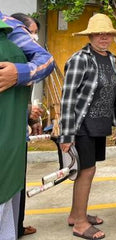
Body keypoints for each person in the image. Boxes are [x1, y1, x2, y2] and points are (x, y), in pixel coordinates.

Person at [59, 13, 116, 240]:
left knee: (87, 170)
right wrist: (66, 133)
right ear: (90, 35)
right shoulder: (79, 59)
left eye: (107, 34)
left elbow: (108, 90)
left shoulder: (111, 58)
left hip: (100, 124)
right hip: (82, 125)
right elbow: (68, 98)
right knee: (86, 170)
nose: (104, 37)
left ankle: (76, 214)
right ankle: (80, 224)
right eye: (99, 33)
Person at [0, 11, 54, 240]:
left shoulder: (10, 30)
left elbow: (46, 61)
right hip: (10, 135)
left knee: (13, 191)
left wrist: (20, 73)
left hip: (11, 137)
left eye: (33, 34)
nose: (32, 38)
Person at [11, 13, 43, 237]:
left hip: (18, 134)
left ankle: (17, 225)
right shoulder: (11, 61)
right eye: (30, 32)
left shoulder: (26, 61)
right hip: (8, 135)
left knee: (18, 185)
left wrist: (31, 116)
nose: (33, 37)